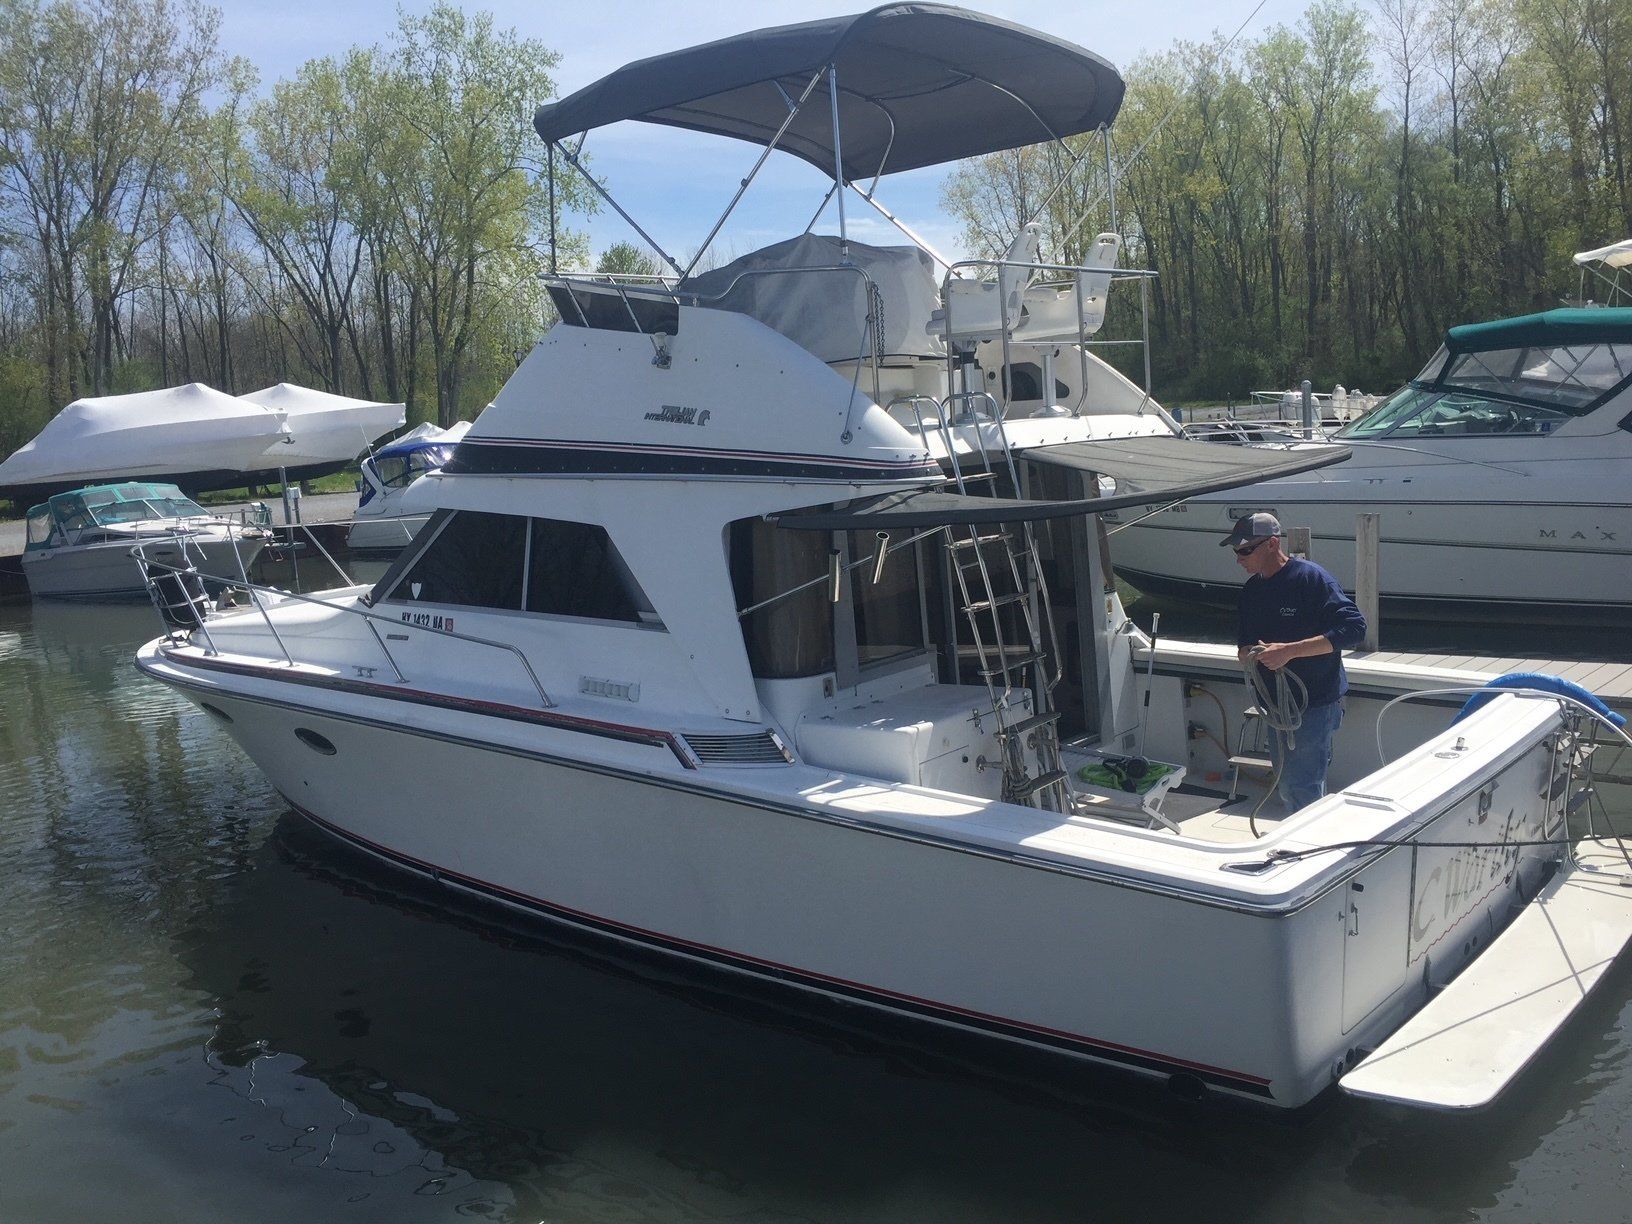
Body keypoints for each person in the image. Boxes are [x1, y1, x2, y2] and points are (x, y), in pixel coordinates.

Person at [1223, 512, 1367, 812]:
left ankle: (1307, 850)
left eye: (1245, 549)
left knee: (1302, 787)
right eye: (1236, 551)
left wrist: (1289, 651)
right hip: (1277, 708)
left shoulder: (1311, 579)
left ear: (1272, 544)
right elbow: (1243, 647)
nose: (1239, 558)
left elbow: (1354, 629)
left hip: (1314, 704)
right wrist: (1253, 654)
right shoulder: (1251, 591)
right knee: (1290, 785)